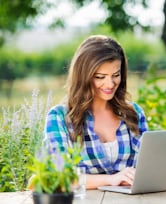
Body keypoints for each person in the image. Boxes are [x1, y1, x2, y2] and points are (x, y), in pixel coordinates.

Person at [44, 35, 148, 189]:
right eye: (100, 77)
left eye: (116, 75)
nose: (110, 84)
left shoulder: (133, 113)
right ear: (83, 76)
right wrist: (111, 179)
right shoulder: (59, 117)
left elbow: (148, 166)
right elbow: (57, 177)